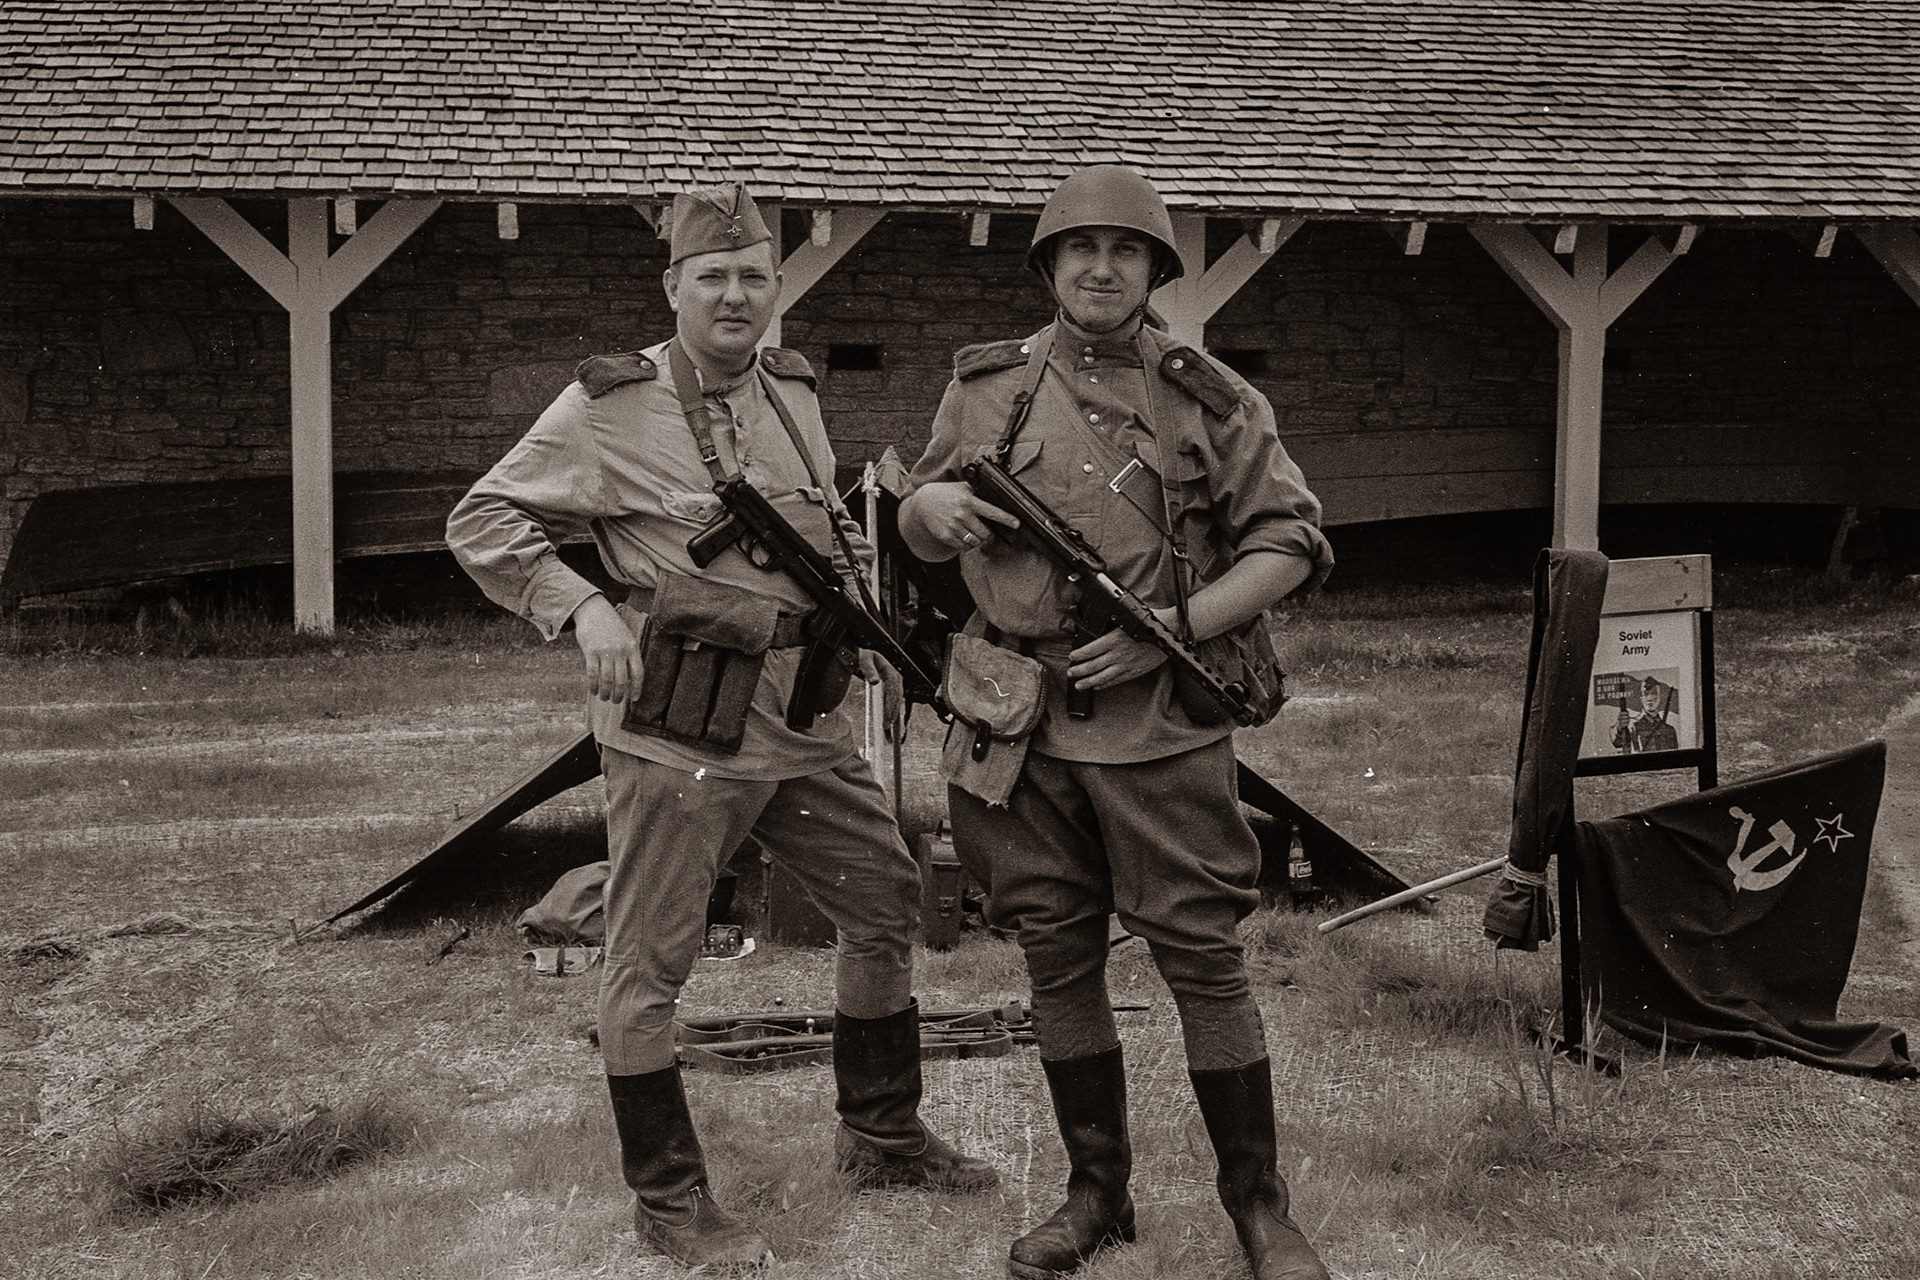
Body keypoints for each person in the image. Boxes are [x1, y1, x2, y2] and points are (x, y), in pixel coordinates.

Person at [447, 181, 996, 1271]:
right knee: (651, 959)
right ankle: (670, 1200)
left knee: (885, 898)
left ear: (775, 289)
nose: (736, 294)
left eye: (754, 276)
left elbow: (821, 529)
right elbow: (480, 517)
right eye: (715, 276)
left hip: (800, 721)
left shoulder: (792, 389)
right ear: (675, 288)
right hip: (683, 726)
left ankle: (880, 1134)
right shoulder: (608, 405)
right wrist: (586, 603)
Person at [898, 165, 1336, 1280]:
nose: (1101, 268)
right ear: (1049, 268)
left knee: (1202, 954)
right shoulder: (986, 389)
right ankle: (1097, 1192)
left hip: (1155, 717)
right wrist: (923, 509)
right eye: (1079, 251)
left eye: (1126, 252)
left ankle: (1259, 1203)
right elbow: (922, 511)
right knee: (1055, 953)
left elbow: (1287, 545)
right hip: (1015, 721)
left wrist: (1168, 627)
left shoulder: (1212, 397)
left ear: (1155, 273)